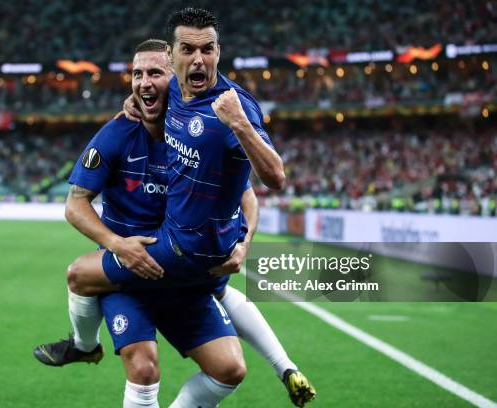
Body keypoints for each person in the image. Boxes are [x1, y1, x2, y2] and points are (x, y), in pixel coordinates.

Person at [37, 7, 316, 406]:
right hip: (133, 264)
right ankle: (84, 346)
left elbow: (253, 189)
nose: (146, 84)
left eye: (154, 74)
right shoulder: (126, 128)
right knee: (141, 361)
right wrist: (118, 244)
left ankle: (282, 365)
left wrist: (245, 244)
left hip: (178, 264)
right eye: (138, 76)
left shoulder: (210, 109)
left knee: (231, 369)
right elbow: (75, 204)